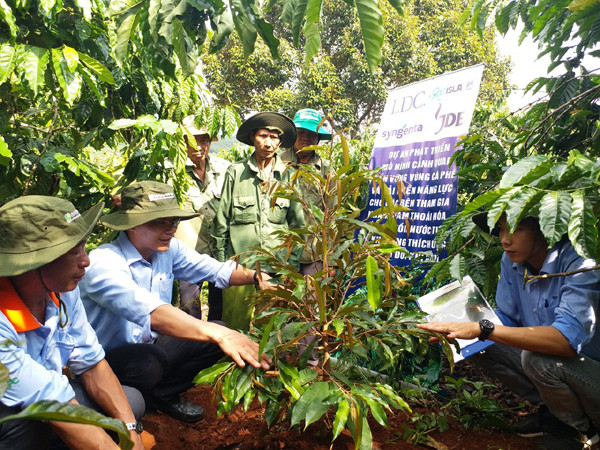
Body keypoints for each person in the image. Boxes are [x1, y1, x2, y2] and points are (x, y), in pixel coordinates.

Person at [78, 181, 273, 423]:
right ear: (132, 225)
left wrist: (256, 276)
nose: (169, 229)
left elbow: (215, 270)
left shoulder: (166, 250)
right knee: (153, 360)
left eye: (172, 221)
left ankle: (163, 395)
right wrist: (222, 336)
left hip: (149, 346)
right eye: (158, 221)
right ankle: (130, 402)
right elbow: (152, 313)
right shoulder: (103, 263)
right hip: (106, 361)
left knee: (216, 332)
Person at [418, 213, 600, 449]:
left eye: (515, 229)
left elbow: (564, 342)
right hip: (561, 371)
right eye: (501, 230)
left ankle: (581, 430)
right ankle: (556, 412)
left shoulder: (580, 262)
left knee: (537, 358)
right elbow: (505, 320)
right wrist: (454, 322)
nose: (504, 240)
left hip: (591, 374)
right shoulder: (512, 262)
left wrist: (481, 328)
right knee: (476, 345)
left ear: (545, 227)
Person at [0, 196, 144, 450]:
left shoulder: (63, 291)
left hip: (47, 396)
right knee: (26, 429)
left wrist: (131, 433)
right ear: (35, 262)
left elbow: (91, 361)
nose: (86, 260)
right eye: (74, 251)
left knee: (131, 403)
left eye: (84, 247)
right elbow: (51, 399)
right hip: (15, 410)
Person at [212, 111, 305, 330]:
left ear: (280, 142)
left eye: (274, 137)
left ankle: (268, 365)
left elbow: (297, 226)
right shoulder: (236, 173)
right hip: (239, 267)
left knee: (271, 330)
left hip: (275, 267)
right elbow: (221, 221)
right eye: (264, 135)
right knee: (234, 325)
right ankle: (233, 365)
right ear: (253, 137)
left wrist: (290, 268)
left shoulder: (289, 177)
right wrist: (224, 265)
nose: (268, 143)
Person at [175, 115, 232, 320]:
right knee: (189, 307)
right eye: (191, 140)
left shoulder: (225, 169)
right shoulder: (173, 173)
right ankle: (192, 349)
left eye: (203, 140)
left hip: (219, 250)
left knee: (219, 307)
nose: (198, 146)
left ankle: (216, 350)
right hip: (188, 253)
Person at [280, 108, 332, 276]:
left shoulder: (326, 170)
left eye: (312, 134)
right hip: (282, 251)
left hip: (314, 255)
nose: (306, 137)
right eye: (301, 132)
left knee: (313, 300)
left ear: (318, 139)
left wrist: (330, 261)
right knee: (281, 300)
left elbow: (332, 215)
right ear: (294, 134)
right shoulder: (277, 163)